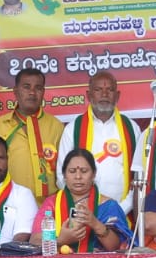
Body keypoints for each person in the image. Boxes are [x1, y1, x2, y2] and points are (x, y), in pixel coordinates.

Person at [58, 71, 140, 214]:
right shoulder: (73, 129)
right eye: (98, 90)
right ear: (88, 95)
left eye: (110, 90)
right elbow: (62, 175)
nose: (104, 94)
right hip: (82, 212)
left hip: (124, 213)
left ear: (118, 95)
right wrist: (83, 207)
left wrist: (121, 209)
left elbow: (140, 176)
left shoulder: (132, 128)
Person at [0, 67, 64, 203]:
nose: (32, 93)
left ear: (43, 92)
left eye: (38, 88)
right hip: (10, 203)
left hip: (48, 206)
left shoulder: (56, 126)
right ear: (15, 91)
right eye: (26, 87)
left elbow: (65, 169)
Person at [33, 149, 131, 253]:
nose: (78, 177)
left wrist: (95, 224)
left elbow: (118, 247)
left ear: (93, 174)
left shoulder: (108, 206)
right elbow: (34, 241)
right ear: (64, 175)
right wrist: (61, 240)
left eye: (84, 171)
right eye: (72, 171)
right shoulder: (52, 204)